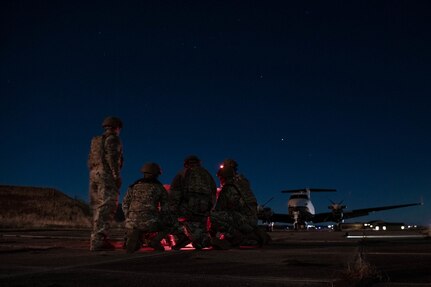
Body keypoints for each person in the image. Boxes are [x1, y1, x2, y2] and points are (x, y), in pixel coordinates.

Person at [88, 116, 124, 251]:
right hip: (106, 174)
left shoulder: (95, 140)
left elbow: (89, 159)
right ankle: (99, 240)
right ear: (116, 127)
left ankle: (95, 238)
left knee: (97, 207)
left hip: (94, 174)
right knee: (107, 206)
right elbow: (112, 158)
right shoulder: (113, 139)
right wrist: (116, 176)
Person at [122, 163, 173, 253]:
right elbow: (166, 208)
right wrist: (163, 218)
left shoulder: (133, 186)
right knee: (170, 224)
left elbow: (125, 203)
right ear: (157, 174)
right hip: (150, 222)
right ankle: (155, 241)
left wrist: (129, 216)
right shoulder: (159, 188)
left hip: (131, 222)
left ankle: (135, 236)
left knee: (136, 226)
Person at [169, 155, 217, 250]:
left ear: (186, 163)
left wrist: (173, 209)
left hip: (187, 211)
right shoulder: (207, 174)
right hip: (204, 212)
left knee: (166, 216)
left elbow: (174, 195)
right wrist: (208, 209)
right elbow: (213, 193)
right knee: (199, 235)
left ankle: (182, 237)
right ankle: (205, 240)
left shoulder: (182, 174)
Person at [210, 165, 252, 249]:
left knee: (212, 216)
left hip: (242, 219)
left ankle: (235, 236)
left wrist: (212, 232)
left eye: (221, 178)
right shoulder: (242, 185)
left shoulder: (227, 188)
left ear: (224, 178)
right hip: (250, 219)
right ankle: (251, 233)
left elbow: (218, 209)